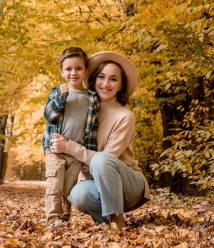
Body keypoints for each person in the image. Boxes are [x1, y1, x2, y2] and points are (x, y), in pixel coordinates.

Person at [50, 51, 150, 229]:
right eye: (101, 77)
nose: (105, 84)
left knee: (101, 159)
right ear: (94, 80)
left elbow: (106, 158)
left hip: (129, 185)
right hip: (96, 181)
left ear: (120, 85)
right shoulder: (84, 108)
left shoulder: (124, 116)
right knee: (78, 194)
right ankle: (107, 222)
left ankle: (117, 218)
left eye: (113, 79)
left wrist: (69, 147)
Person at [42, 47, 99, 227]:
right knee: (54, 184)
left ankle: (64, 219)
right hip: (54, 148)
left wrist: (88, 156)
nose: (73, 73)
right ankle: (53, 218)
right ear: (61, 71)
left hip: (75, 150)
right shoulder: (56, 92)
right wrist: (61, 97)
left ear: (85, 70)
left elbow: (92, 130)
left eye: (78, 68)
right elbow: (49, 115)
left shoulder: (91, 98)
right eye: (68, 69)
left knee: (68, 187)